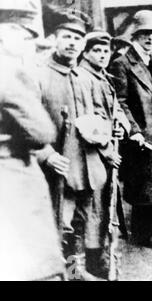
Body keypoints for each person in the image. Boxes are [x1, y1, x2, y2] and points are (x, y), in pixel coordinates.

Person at [36, 10, 109, 281]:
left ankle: (76, 274)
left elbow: (100, 117)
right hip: (58, 172)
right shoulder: (39, 76)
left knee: (79, 227)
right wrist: (47, 155)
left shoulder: (84, 78)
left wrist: (104, 141)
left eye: (78, 38)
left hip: (86, 169)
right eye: (66, 36)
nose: (72, 43)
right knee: (58, 230)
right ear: (53, 39)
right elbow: (18, 129)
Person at [0, 0, 64, 281]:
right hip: (14, 178)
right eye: (27, 36)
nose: (29, 44)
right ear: (8, 31)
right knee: (37, 262)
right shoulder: (9, 71)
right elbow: (43, 132)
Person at [109, 10, 152, 250]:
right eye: (144, 34)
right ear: (134, 36)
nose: (150, 39)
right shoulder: (122, 63)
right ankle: (144, 233)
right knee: (145, 186)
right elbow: (121, 101)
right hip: (141, 135)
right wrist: (134, 130)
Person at [76, 31, 131, 278]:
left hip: (103, 151)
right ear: (86, 52)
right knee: (93, 210)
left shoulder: (103, 77)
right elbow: (87, 122)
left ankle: (101, 256)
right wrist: (107, 151)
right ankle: (92, 262)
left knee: (104, 208)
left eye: (105, 51)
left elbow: (115, 108)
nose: (102, 55)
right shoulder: (82, 78)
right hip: (90, 154)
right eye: (96, 51)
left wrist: (121, 124)